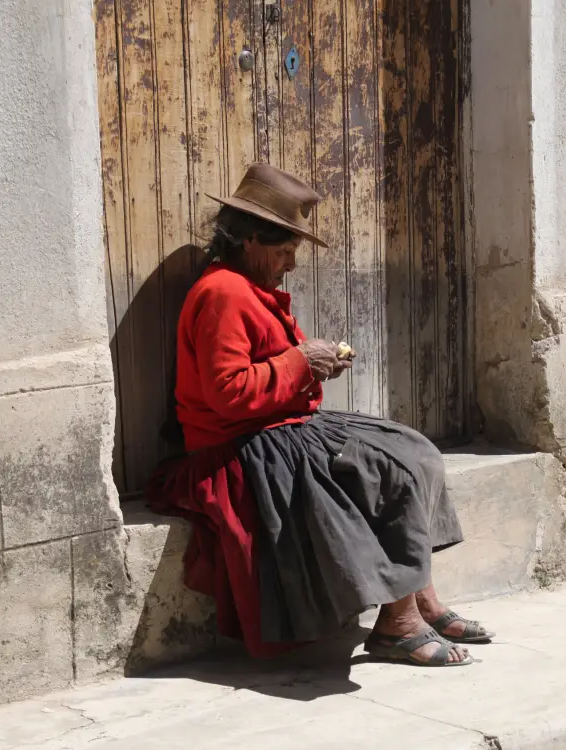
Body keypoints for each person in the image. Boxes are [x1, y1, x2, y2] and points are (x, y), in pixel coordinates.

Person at [148, 163, 491, 667]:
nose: (290, 264)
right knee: (378, 474)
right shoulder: (223, 293)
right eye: (284, 251)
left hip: (280, 428)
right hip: (239, 446)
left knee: (411, 452)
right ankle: (397, 624)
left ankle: (422, 601)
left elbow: (273, 369)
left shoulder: (250, 286)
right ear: (250, 241)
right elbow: (228, 393)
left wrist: (312, 365)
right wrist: (300, 361)